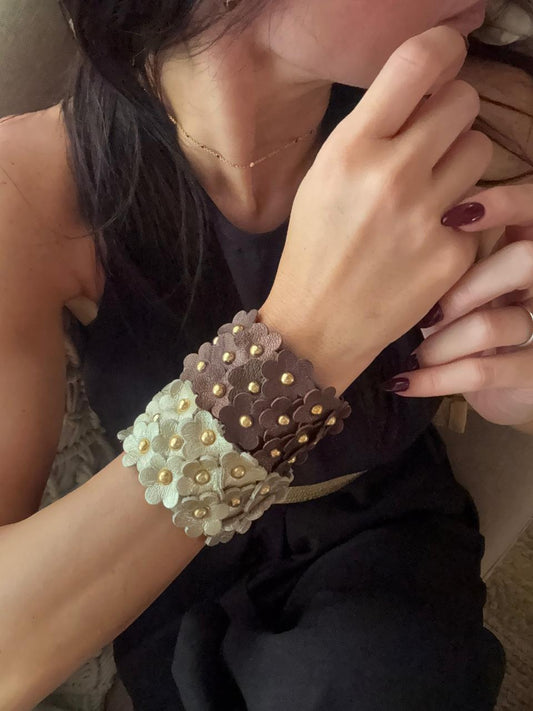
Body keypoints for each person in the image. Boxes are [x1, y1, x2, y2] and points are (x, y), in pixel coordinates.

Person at [3, 0, 533, 708]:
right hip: (154, 555)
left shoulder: (487, 116)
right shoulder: (28, 184)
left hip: (384, 528)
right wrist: (298, 349)